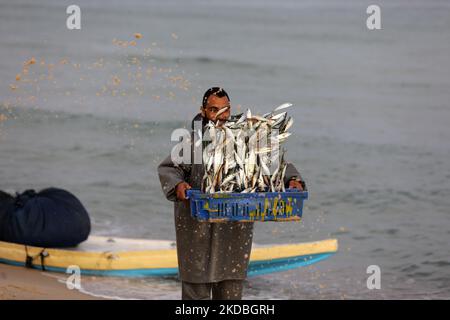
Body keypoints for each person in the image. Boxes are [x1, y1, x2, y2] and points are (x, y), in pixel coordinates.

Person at [158, 87, 305, 300]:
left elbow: (274, 164)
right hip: (196, 232)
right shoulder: (191, 142)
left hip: (234, 234)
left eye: (224, 110)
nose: (220, 115)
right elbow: (169, 169)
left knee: (231, 296)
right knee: (195, 296)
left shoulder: (247, 139)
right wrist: (178, 185)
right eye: (213, 109)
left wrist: (292, 179)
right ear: (203, 111)